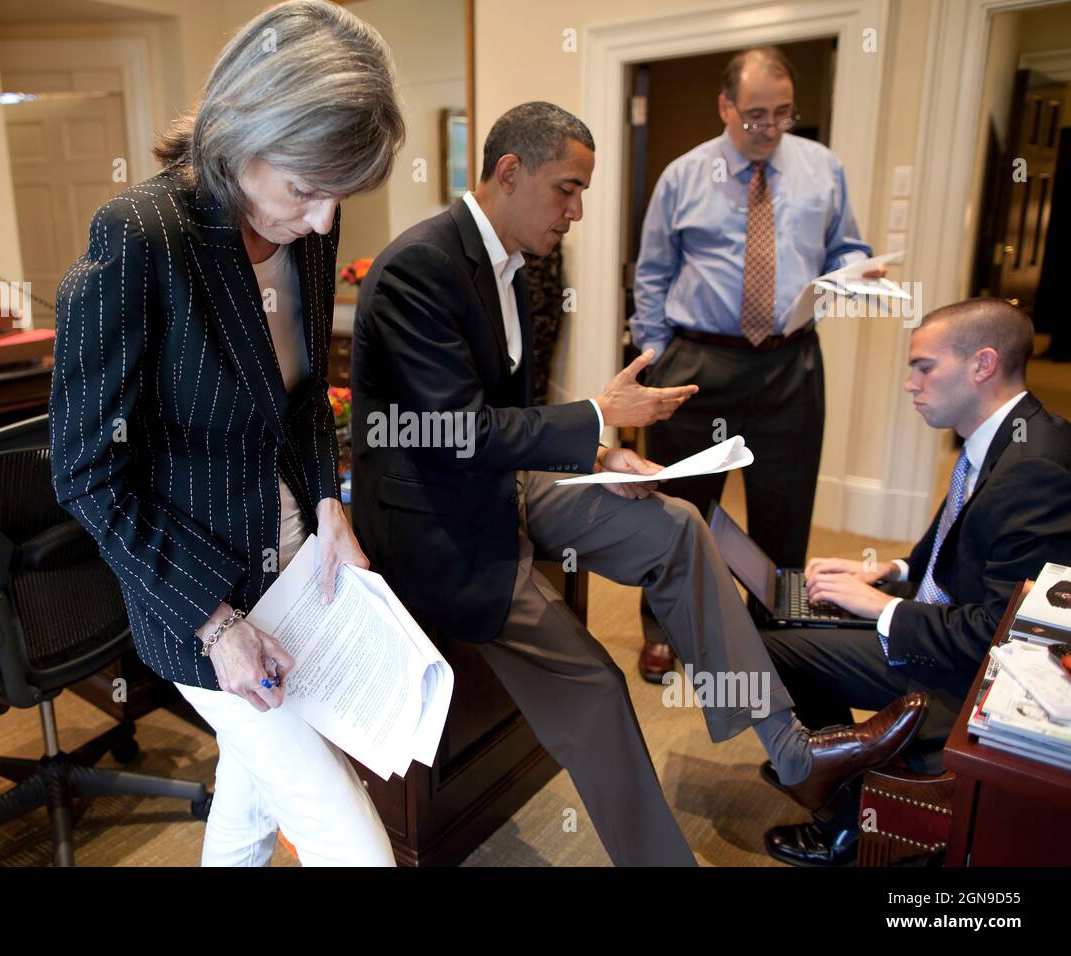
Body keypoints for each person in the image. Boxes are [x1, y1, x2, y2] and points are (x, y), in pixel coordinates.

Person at [350, 100, 928, 867]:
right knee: (598, 685)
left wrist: (600, 457)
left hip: (503, 486)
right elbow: (458, 435)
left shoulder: (516, 265)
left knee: (679, 525)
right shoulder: (415, 269)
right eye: (567, 188)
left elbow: (507, 420)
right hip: (437, 527)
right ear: (508, 172)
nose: (578, 211)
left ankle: (792, 750)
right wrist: (595, 417)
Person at [50, 0, 405, 867]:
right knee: (355, 846)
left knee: (248, 802)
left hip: (294, 564)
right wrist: (216, 625)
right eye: (307, 191)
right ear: (245, 134)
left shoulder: (303, 226)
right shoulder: (142, 237)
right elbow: (86, 472)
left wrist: (329, 500)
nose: (324, 221)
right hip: (195, 587)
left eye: (339, 196)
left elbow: (305, 394)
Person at [762, 298, 1071, 865]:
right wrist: (890, 572)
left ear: (982, 364)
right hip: (942, 622)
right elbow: (957, 549)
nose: (910, 383)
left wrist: (879, 606)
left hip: (969, 671)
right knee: (781, 611)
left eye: (924, 367)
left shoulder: (1034, 470)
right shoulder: (1004, 439)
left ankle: (846, 813)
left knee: (770, 648)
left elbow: (999, 637)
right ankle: (836, 761)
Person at [629, 46, 883, 681]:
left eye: (783, 113)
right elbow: (653, 274)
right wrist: (657, 364)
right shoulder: (683, 176)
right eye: (755, 114)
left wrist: (860, 266)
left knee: (785, 511)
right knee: (677, 507)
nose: (769, 127)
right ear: (726, 106)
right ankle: (665, 627)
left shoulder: (823, 169)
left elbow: (844, 243)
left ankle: (777, 638)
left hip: (789, 363)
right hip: (697, 363)